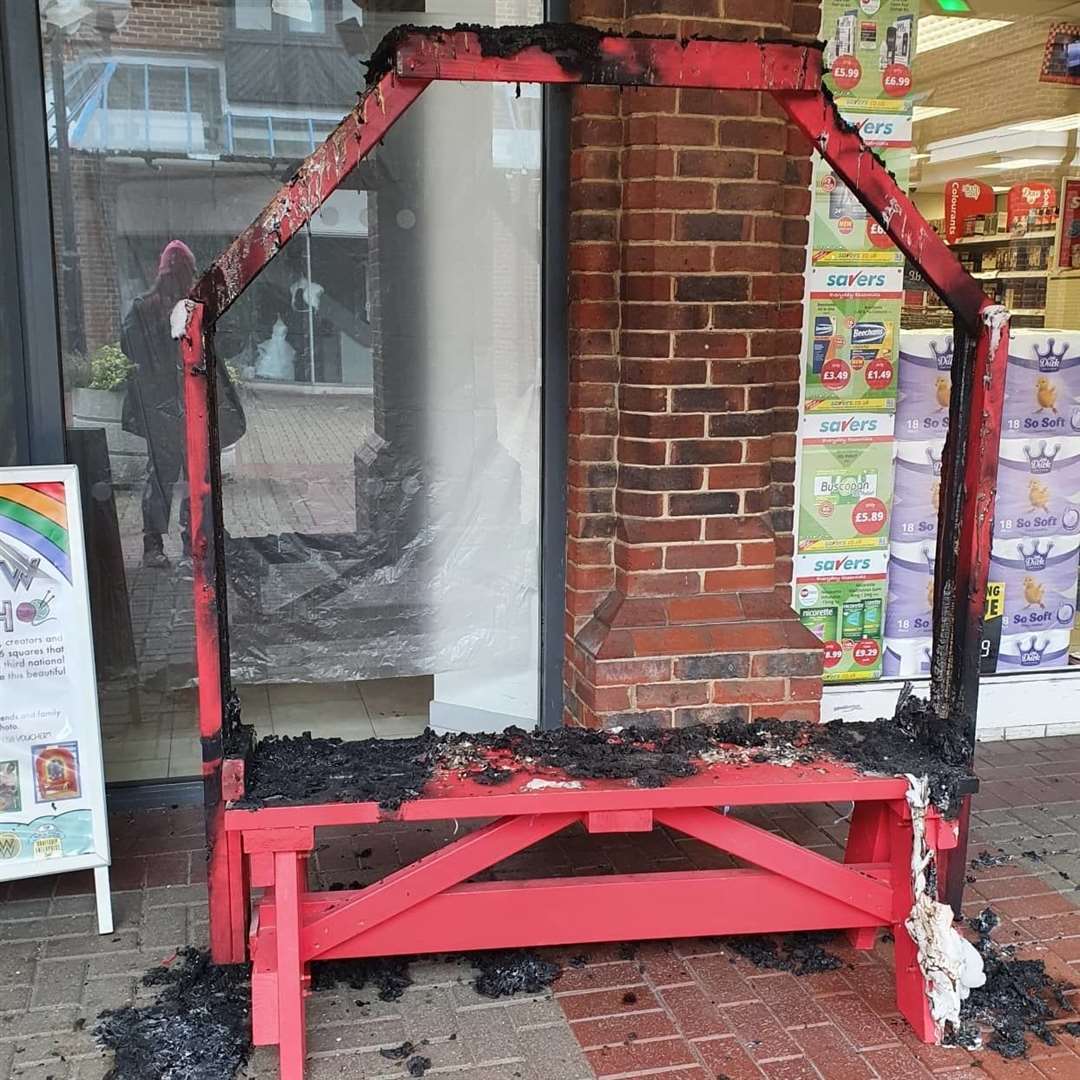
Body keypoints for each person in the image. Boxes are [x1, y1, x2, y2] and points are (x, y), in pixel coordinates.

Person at [121, 240, 196, 569]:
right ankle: (162, 543)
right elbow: (130, 347)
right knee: (167, 476)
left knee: (190, 475)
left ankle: (189, 541)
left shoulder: (193, 306)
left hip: (187, 400)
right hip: (164, 403)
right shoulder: (146, 308)